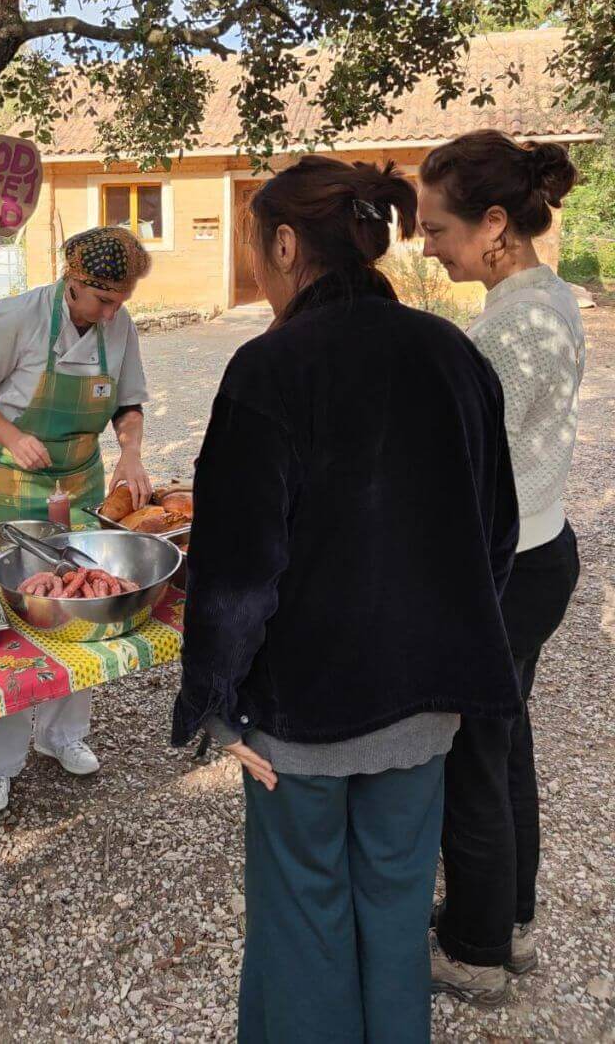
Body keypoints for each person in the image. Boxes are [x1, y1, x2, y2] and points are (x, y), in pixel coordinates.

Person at [173, 155, 523, 1044]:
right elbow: (496, 538)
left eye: (257, 245)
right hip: (425, 709)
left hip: (302, 721)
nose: (257, 265)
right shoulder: (454, 354)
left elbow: (238, 571)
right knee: (396, 921)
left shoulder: (268, 369)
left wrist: (215, 705)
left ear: (286, 244)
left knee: (303, 924)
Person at [419, 131, 584, 1003]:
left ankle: (476, 948)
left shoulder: (511, 330)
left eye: (437, 228)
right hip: (541, 552)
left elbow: (451, 468)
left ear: (495, 224)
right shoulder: (549, 298)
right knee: (506, 737)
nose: (427, 245)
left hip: (506, 570)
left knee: (471, 759)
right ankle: (510, 915)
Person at [0, 226, 152, 812]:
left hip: (81, 477)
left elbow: (128, 401)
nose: (114, 311)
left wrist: (132, 452)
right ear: (72, 283)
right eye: (105, 300)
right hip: (16, 479)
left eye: (122, 301)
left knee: (81, 606)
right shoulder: (16, 316)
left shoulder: (120, 325)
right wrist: (12, 436)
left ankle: (63, 735)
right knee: (15, 616)